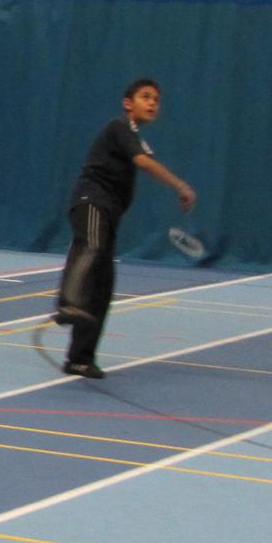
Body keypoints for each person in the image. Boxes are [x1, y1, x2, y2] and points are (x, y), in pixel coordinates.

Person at [53, 77, 197, 378]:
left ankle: (79, 358)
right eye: (146, 97)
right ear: (128, 103)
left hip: (109, 214)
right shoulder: (119, 127)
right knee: (89, 246)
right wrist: (180, 184)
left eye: (156, 99)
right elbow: (144, 162)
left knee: (103, 287)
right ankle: (68, 302)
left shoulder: (137, 137)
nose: (153, 103)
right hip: (90, 201)